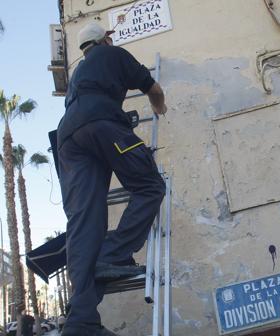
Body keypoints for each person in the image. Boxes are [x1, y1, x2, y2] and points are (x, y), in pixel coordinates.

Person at [57, 22, 167, 336]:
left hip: (68, 138)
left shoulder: (77, 75)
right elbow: (152, 88)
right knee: (149, 185)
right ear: (105, 39)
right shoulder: (113, 54)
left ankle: (81, 320)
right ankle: (113, 253)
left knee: (84, 220)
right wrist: (158, 106)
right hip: (103, 123)